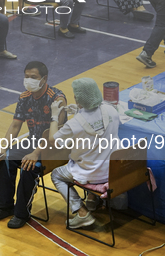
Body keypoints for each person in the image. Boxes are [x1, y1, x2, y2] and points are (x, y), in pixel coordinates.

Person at [0, 61, 66, 228]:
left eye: (34, 77)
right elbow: (15, 125)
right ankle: (5, 206)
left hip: (55, 147)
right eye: (26, 77)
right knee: (4, 158)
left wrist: (35, 153)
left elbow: (54, 133)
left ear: (44, 78)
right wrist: (2, 149)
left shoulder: (57, 98)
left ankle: (22, 213)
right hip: (33, 142)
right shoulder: (24, 97)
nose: (29, 80)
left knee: (28, 166)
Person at [49, 78, 120, 228]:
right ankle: (93, 200)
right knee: (97, 153)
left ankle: (82, 213)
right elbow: (97, 124)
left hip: (91, 173)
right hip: (114, 170)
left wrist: (54, 116)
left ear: (77, 98)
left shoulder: (74, 124)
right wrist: (80, 111)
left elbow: (53, 141)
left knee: (56, 175)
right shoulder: (111, 110)